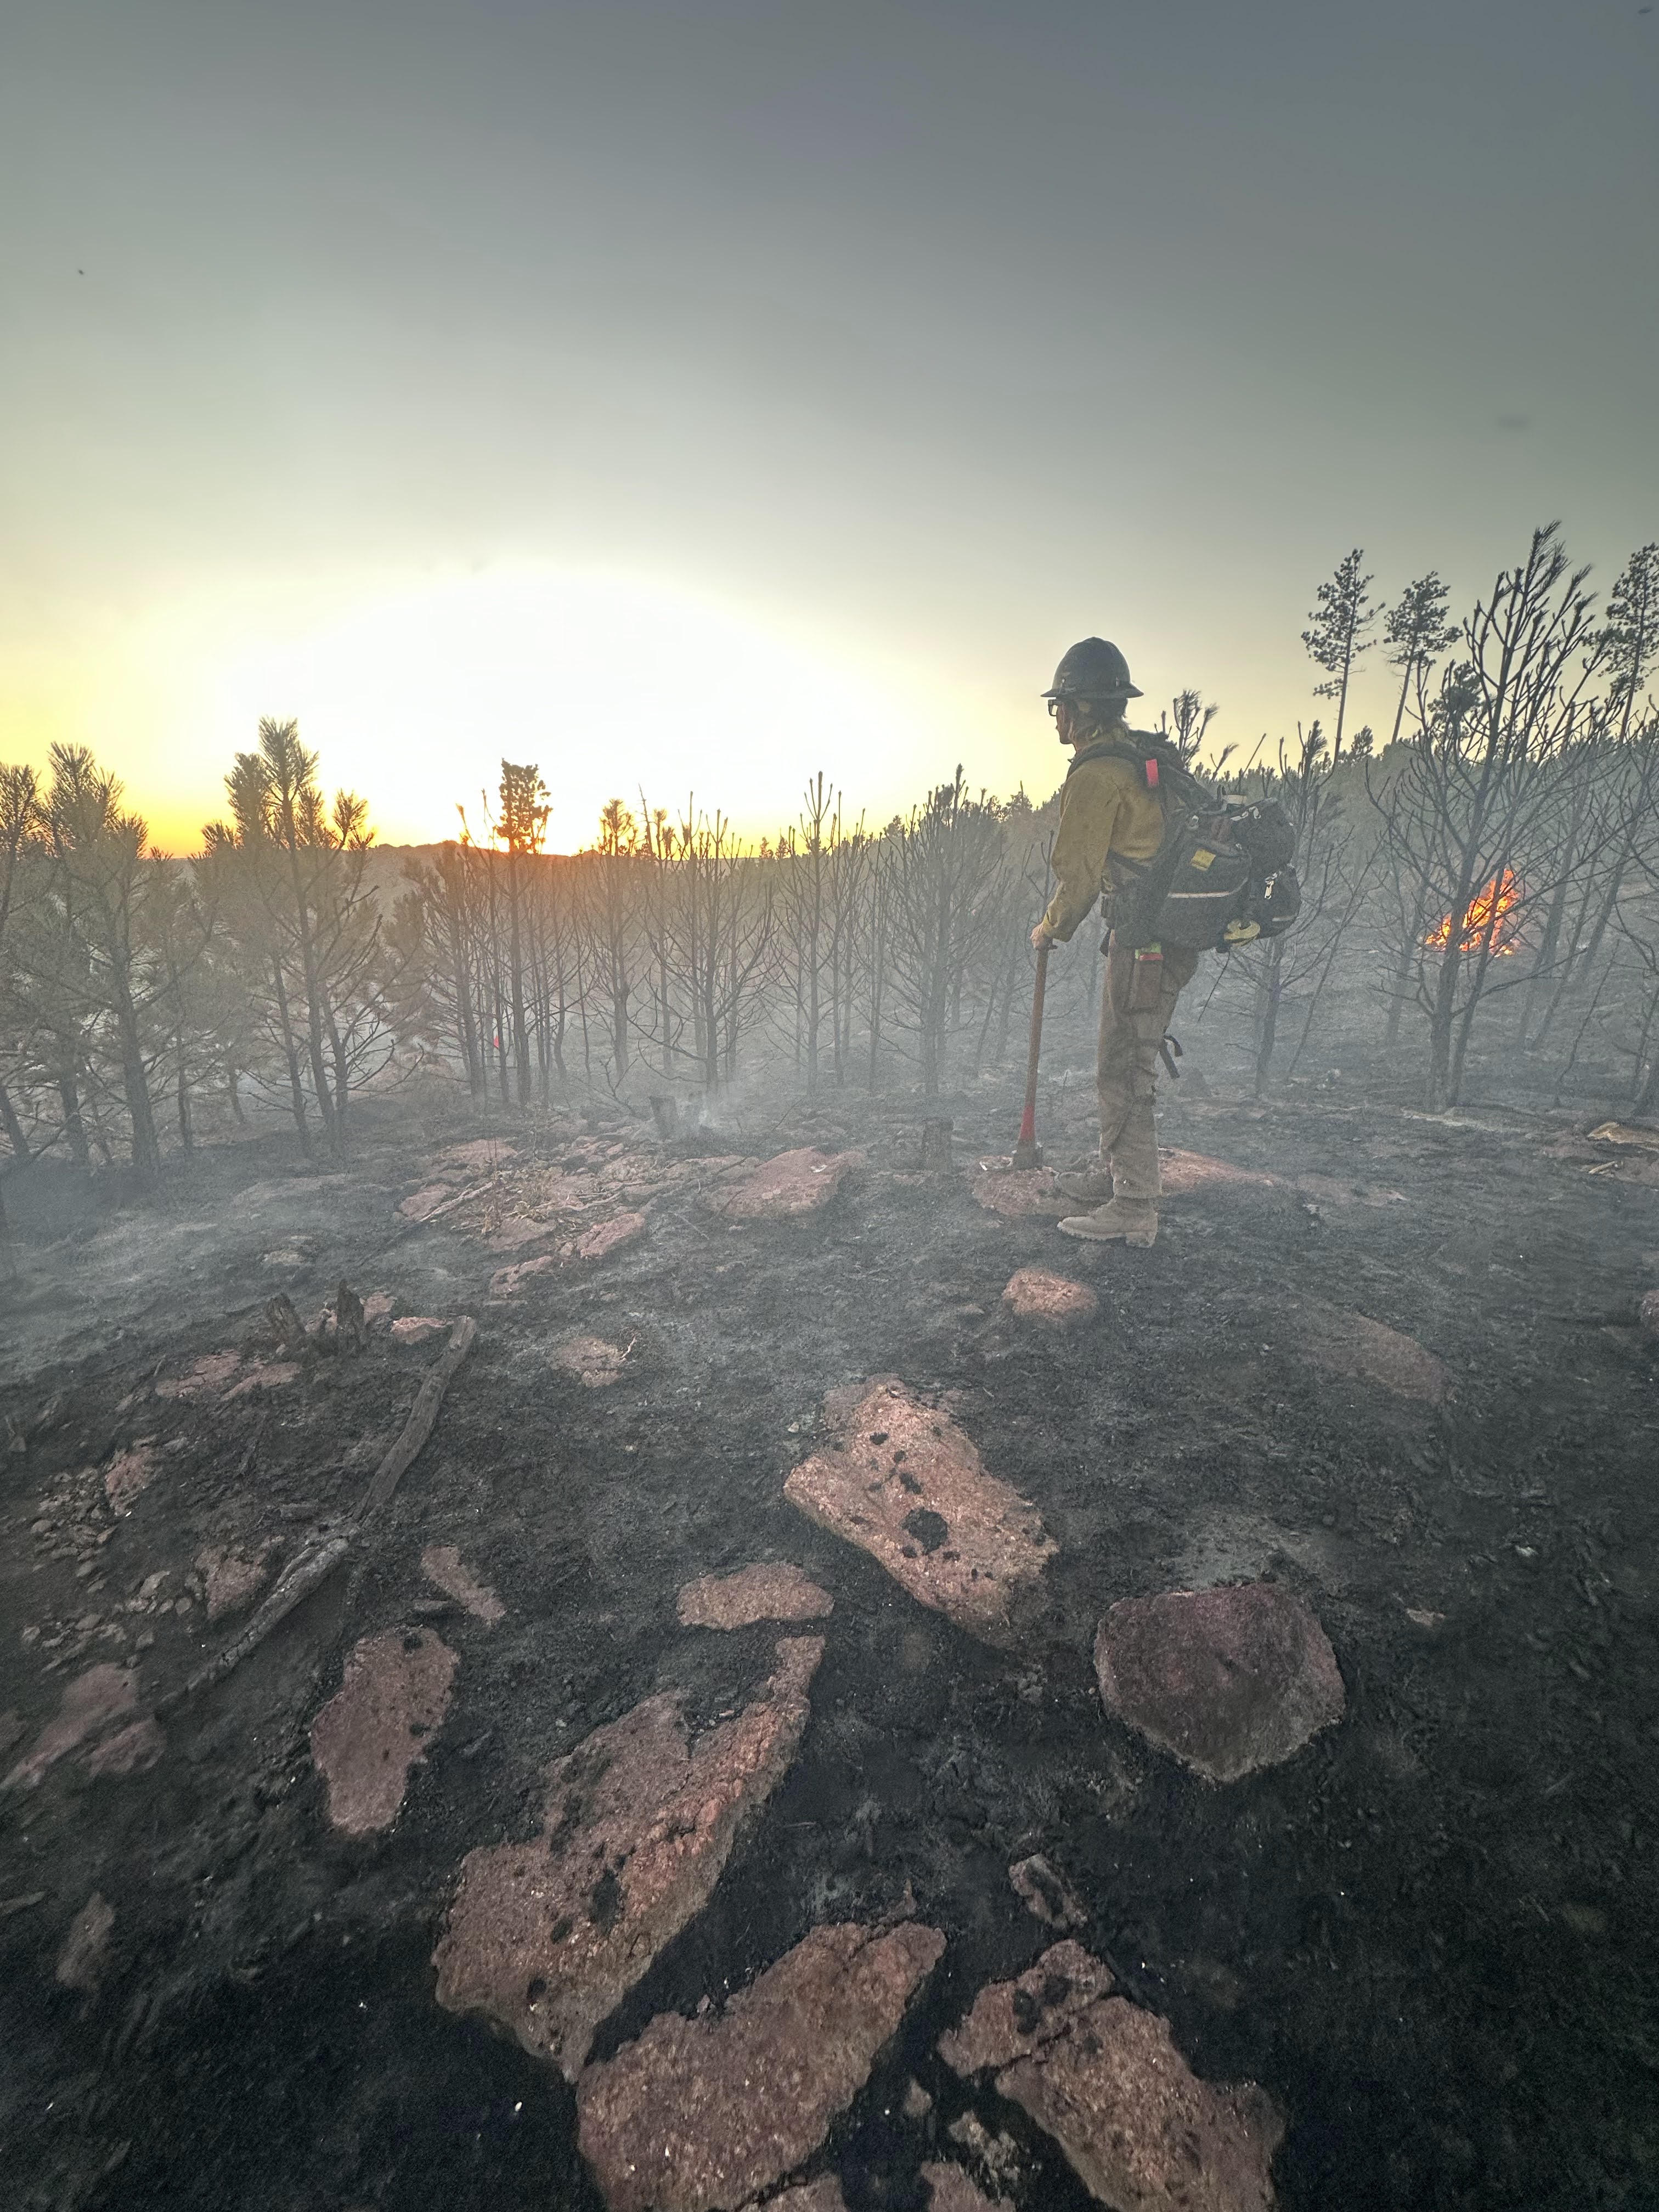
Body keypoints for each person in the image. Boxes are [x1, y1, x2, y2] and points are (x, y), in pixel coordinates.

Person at [1029, 637, 1199, 1247]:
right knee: (1128, 1057)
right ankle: (1120, 1174)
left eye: (1061, 705)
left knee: (1124, 1067)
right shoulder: (1138, 757)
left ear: (1081, 708)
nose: (1057, 717)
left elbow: (1076, 874)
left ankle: (1133, 1205)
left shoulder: (1098, 775)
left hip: (1145, 941)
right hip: (1164, 935)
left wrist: (1051, 928)